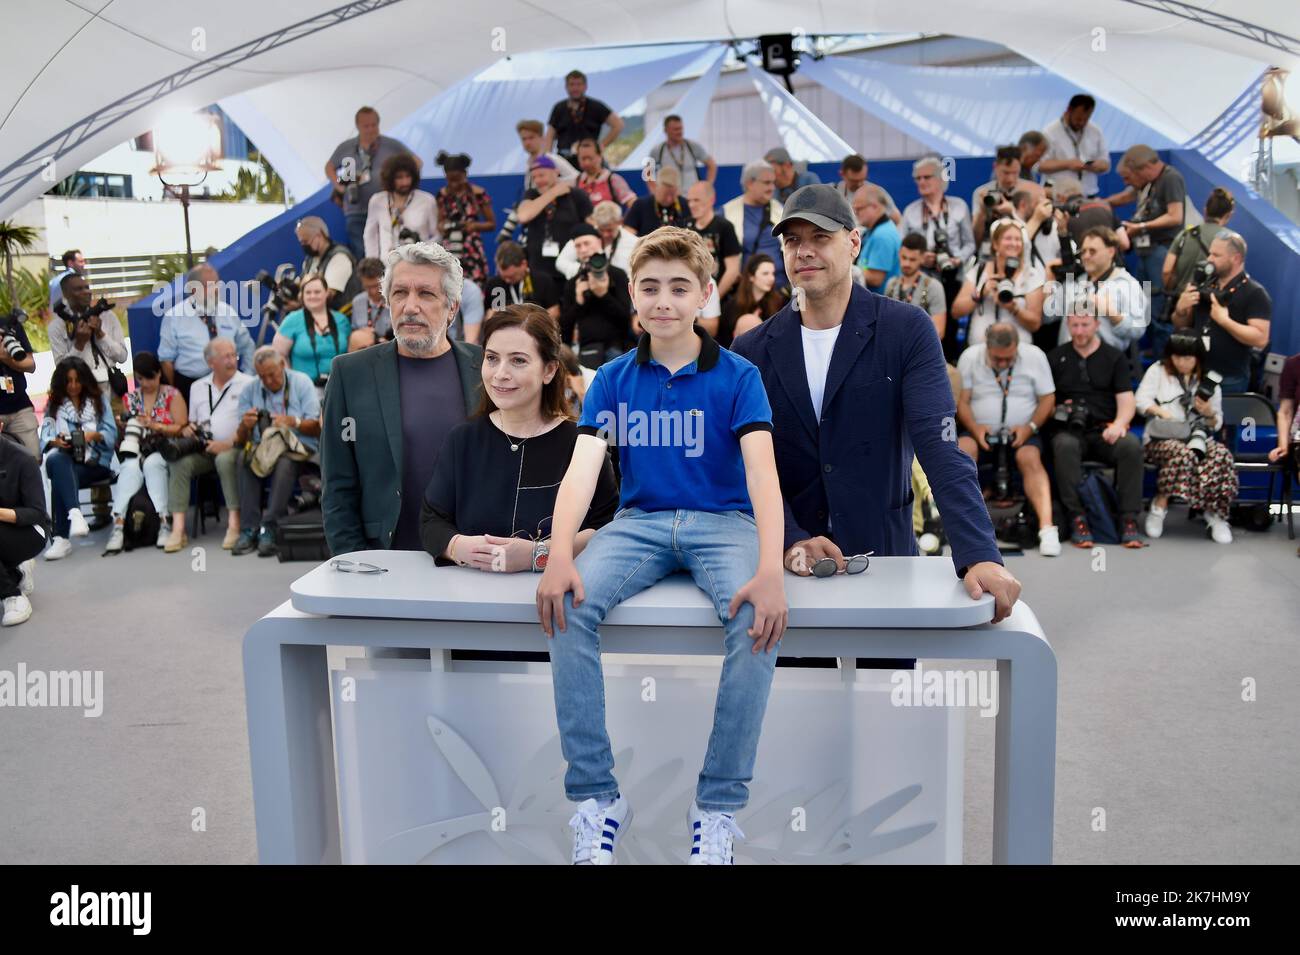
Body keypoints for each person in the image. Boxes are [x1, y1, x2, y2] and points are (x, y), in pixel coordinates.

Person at [536, 226, 788, 865]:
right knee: (567, 605)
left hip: (724, 522)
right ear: (631, 295)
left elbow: (762, 473)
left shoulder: (739, 376)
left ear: (706, 294)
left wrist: (769, 567)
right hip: (639, 524)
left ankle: (718, 806)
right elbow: (582, 471)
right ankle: (597, 798)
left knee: (757, 616)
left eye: (680, 288)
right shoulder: (614, 380)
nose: (664, 301)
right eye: (649, 288)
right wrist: (561, 553)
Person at [730, 185, 1018, 617]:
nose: (804, 251)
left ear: (854, 243)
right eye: (793, 241)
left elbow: (940, 449)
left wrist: (979, 553)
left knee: (887, 682)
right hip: (789, 571)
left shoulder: (907, 330)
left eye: (820, 237)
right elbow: (744, 465)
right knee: (797, 683)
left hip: (884, 558)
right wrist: (791, 537)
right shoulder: (750, 348)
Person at [421, 302, 619, 571]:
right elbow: (432, 520)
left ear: (549, 370)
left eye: (518, 360)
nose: (501, 374)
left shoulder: (582, 444)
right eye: (492, 358)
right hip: (468, 598)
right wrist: (457, 547)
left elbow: (608, 527)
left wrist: (539, 555)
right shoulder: (462, 440)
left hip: (555, 598)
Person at [322, 242, 484, 554]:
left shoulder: (486, 368)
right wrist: (352, 564)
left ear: (452, 307)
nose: (410, 306)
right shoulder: (349, 373)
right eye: (400, 293)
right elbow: (337, 485)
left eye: (425, 293)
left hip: (472, 559)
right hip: (382, 561)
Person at [956, 324, 1059, 555]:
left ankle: (1047, 529)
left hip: (1022, 432)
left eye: (1008, 359)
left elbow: (1047, 398)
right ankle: (958, 526)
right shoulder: (970, 357)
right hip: (980, 431)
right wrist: (973, 427)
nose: (1003, 364)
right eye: (997, 359)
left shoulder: (1035, 356)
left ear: (1017, 346)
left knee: (1030, 458)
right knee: (962, 451)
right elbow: (963, 400)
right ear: (987, 346)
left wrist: (1030, 427)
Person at [1047, 309, 1145, 548]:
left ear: (1096, 324)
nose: (1080, 331)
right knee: (1064, 445)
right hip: (1069, 431)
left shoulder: (1114, 357)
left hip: (1104, 430)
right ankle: (1077, 517)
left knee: (1131, 446)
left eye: (1085, 325)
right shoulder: (1055, 357)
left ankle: (1128, 519)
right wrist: (1058, 411)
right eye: (1075, 326)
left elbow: (1126, 399)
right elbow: (1045, 402)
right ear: (1068, 326)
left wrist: (1120, 424)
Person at [1136, 331, 1235, 543]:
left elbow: (1216, 423)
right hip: (1161, 437)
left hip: (1197, 436)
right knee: (1183, 454)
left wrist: (1208, 412)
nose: (1182, 362)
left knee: (1221, 455)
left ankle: (1216, 514)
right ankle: (1160, 504)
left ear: (1198, 358)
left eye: (1188, 358)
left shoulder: (1209, 381)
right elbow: (1140, 400)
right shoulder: (1158, 370)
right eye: (1177, 356)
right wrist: (1158, 410)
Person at [165, 337, 255, 553]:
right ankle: (178, 529)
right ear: (210, 362)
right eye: (226, 356)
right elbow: (194, 420)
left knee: (225, 460)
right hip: (204, 449)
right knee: (179, 463)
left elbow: (251, 425)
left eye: (234, 355)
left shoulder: (248, 383)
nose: (232, 360)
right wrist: (189, 428)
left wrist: (226, 444)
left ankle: (234, 524)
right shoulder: (197, 387)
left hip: (235, 447)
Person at [231, 348, 322, 557]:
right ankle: (249, 527)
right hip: (264, 448)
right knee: (244, 459)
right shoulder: (250, 390)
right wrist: (246, 426)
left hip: (299, 447)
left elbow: (317, 428)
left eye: (272, 374)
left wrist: (294, 422)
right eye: (262, 376)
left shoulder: (301, 382)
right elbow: (240, 439)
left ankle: (269, 526)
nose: (268, 380)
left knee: (284, 463)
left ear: (283, 365)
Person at [104, 352, 188, 554]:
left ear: (159, 373)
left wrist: (156, 426)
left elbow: (182, 426)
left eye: (150, 377)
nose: (146, 383)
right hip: (136, 448)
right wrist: (122, 424)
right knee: (128, 469)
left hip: (164, 447)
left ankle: (164, 522)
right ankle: (118, 524)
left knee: (153, 465)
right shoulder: (130, 398)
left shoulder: (172, 395)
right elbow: (125, 430)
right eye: (141, 379)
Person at [1171, 231, 1271, 394]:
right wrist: (1181, 310)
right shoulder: (1203, 285)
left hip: (1230, 379)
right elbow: (1180, 324)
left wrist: (1225, 321)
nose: (1209, 259)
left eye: (1216, 255)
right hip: (1195, 373)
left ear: (1236, 258)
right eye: (1210, 253)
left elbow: (1261, 339)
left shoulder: (1255, 293)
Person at [39, 357, 117, 561]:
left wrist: (95, 435)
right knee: (56, 461)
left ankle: (61, 539)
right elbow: (45, 434)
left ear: (84, 380)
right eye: (68, 381)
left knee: (59, 476)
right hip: (67, 461)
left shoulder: (99, 401)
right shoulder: (54, 405)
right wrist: (55, 442)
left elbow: (111, 435)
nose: (73, 386)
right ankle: (75, 514)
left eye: (77, 380)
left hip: (95, 463)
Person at [900, 155, 975, 358]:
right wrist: (920, 258)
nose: (922, 182)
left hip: (953, 277)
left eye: (927, 177)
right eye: (918, 178)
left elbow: (970, 244)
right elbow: (903, 246)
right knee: (923, 329)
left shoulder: (959, 206)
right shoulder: (911, 211)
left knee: (949, 332)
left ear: (940, 178)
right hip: (923, 279)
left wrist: (957, 259)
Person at [326, 106, 420, 256]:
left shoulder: (391, 145)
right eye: (366, 126)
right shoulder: (346, 147)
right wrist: (339, 187)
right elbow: (329, 167)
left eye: (374, 125)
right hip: (356, 210)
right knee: (362, 252)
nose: (370, 129)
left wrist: (404, 187)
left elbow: (417, 162)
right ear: (357, 126)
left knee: (387, 250)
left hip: (386, 208)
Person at [1118, 144, 1186, 350]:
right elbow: (1125, 196)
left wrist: (1141, 226)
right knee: (1144, 304)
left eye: (1131, 177)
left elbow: (1176, 216)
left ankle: (1163, 357)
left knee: (1159, 306)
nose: (1130, 183)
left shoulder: (1171, 178)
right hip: (1148, 253)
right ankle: (1154, 351)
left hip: (1161, 252)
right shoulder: (1151, 183)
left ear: (1145, 168)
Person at [158, 263, 256, 400]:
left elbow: (247, 346)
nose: (216, 289)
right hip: (189, 386)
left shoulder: (227, 312)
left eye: (217, 284)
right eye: (209, 286)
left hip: (229, 384)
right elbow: (166, 359)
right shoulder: (174, 316)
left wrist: (248, 378)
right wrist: (177, 393)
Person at [951, 219, 1045, 348]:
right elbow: (956, 311)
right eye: (1008, 238)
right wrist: (981, 294)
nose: (1013, 243)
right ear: (995, 244)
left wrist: (1013, 308)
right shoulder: (979, 270)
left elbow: (1035, 324)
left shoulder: (1031, 276)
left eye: (1018, 239)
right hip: (980, 348)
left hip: (1018, 350)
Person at [1053, 226, 1146, 350]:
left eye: (1092, 251)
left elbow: (1138, 330)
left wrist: (1112, 314)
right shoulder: (1074, 281)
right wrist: (1050, 280)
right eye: (1083, 251)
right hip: (1069, 360)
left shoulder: (1127, 284)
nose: (1086, 256)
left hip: (1105, 362)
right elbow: (1049, 317)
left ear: (1111, 252)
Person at [559, 225, 633, 368]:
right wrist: (579, 301)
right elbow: (565, 327)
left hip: (617, 347)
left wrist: (604, 295)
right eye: (578, 246)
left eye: (587, 243)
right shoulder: (573, 283)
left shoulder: (617, 275)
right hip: (588, 349)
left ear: (600, 242)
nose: (583, 249)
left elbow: (626, 319)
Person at [49, 272, 128, 401]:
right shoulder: (57, 325)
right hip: (80, 396)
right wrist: (79, 344)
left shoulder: (107, 316)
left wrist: (101, 335)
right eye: (79, 289)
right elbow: (62, 370)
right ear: (66, 294)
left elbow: (122, 357)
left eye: (87, 287)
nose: (86, 292)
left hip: (112, 391)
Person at [516, 155, 594, 284]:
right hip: (538, 268)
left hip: (570, 265)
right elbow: (523, 216)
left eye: (541, 175)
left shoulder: (576, 195)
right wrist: (553, 192)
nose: (538, 180)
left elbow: (592, 225)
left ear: (556, 172)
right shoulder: (531, 195)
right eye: (534, 177)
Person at [0, 420, 47, 627]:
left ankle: (12, 596)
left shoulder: (22, 459)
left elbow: (37, 513)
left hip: (31, 530)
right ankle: (15, 572)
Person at [272, 273, 348, 395]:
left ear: (327, 293)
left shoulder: (341, 320)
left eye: (317, 292)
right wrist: (290, 384)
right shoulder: (292, 320)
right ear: (301, 295)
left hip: (339, 389)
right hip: (305, 391)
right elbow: (278, 355)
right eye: (308, 292)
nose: (313, 296)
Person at [1161, 187, 1235, 313]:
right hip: (1212, 307)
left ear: (1205, 210)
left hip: (1182, 302)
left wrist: (1173, 290)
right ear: (1228, 215)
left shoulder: (1184, 235)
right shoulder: (1232, 241)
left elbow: (1167, 270)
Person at [686, 181, 742, 335]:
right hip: (691, 300)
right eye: (689, 200)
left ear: (711, 200)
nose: (691, 204)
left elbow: (733, 270)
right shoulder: (685, 226)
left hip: (720, 301)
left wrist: (712, 298)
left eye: (696, 200)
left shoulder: (724, 227)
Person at [723, 160, 786, 290]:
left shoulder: (781, 210)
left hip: (780, 291)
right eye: (767, 183)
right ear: (750, 183)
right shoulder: (726, 212)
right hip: (744, 292)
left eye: (773, 182)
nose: (772, 188)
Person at [363, 152, 438, 260]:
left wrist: (421, 251)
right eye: (399, 178)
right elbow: (370, 235)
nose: (405, 182)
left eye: (408, 176)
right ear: (390, 178)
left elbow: (437, 236)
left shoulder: (427, 200)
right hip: (387, 267)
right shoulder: (377, 201)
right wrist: (373, 264)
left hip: (418, 265)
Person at [434, 151, 494, 285]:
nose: (454, 184)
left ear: (465, 174)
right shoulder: (442, 195)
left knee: (476, 285)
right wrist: (445, 226)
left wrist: (474, 226)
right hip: (450, 246)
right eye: (451, 180)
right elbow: (439, 223)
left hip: (472, 247)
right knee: (450, 285)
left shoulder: (478, 193)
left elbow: (492, 223)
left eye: (458, 179)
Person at [1038, 94, 1110, 198]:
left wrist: (1096, 165)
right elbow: (1040, 165)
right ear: (1068, 110)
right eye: (1078, 118)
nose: (1081, 123)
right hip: (1058, 195)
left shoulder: (1095, 131)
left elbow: (1106, 164)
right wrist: (1067, 164)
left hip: (1088, 193)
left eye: (1086, 119)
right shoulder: (1050, 132)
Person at [971, 145, 1043, 248]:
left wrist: (1012, 212)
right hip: (991, 248)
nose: (1010, 179)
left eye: (1015, 173)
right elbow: (975, 239)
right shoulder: (982, 193)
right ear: (995, 167)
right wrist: (982, 212)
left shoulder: (1034, 191)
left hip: (1025, 248)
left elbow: (1040, 234)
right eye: (1006, 172)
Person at [545, 69, 624, 162]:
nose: (575, 88)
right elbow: (550, 135)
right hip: (564, 158)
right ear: (566, 87)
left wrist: (601, 145)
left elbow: (618, 125)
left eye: (579, 84)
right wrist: (548, 158)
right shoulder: (559, 108)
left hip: (589, 159)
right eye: (572, 84)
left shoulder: (596, 106)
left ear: (585, 86)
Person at [882, 233, 948, 344]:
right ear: (899, 254)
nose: (907, 263)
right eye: (904, 258)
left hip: (919, 350)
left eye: (912, 259)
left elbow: (939, 332)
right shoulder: (892, 284)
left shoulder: (933, 287)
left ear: (922, 258)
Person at [718, 254, 788, 349]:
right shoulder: (732, 306)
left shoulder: (780, 304)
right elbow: (723, 340)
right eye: (765, 273)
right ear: (751, 276)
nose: (772, 278)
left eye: (773, 273)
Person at [554, 201, 637, 281]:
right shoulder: (585, 235)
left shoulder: (634, 243)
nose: (605, 234)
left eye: (609, 230)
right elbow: (561, 262)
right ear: (595, 222)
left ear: (620, 222)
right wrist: (585, 270)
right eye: (601, 229)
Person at [296, 216, 362, 314]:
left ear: (319, 236)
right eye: (301, 242)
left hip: (339, 318)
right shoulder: (310, 259)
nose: (303, 246)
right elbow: (300, 284)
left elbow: (328, 295)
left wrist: (297, 303)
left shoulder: (340, 257)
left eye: (305, 241)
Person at [483, 241, 561, 322]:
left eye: (511, 277)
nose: (507, 281)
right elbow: (489, 315)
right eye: (503, 277)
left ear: (524, 264)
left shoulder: (543, 281)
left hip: (535, 330)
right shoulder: (495, 285)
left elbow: (554, 311)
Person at [0, 310, 40, 459]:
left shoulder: (9, 325)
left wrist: (5, 358)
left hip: (20, 407)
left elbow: (30, 365)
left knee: (33, 457)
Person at [852, 184, 901, 293]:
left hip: (881, 304)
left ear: (875, 206)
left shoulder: (883, 235)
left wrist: (845, 268)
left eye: (859, 209)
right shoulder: (875, 230)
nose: (856, 214)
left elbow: (875, 278)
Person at [646, 115, 716, 189]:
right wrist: (654, 191)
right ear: (666, 130)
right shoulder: (657, 150)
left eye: (681, 128)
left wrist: (708, 186)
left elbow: (711, 164)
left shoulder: (692, 146)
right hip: (669, 198)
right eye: (676, 129)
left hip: (691, 196)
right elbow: (648, 172)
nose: (679, 132)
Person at [834, 154, 901, 225]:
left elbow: (896, 218)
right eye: (854, 181)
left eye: (862, 179)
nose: (859, 184)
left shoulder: (876, 192)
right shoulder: (833, 193)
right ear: (842, 174)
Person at [624, 166, 689, 235]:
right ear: (656, 187)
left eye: (673, 194)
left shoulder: (686, 205)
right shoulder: (640, 205)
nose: (669, 199)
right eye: (665, 194)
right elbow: (628, 234)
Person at [573, 139, 635, 208]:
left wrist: (624, 219)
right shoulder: (576, 181)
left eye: (590, 158)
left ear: (600, 156)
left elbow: (633, 204)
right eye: (583, 159)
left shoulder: (613, 179)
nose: (587, 163)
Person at [350, 257, 392, 340]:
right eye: (368, 287)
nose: (373, 291)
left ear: (384, 280)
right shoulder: (357, 302)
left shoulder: (393, 300)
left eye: (376, 286)